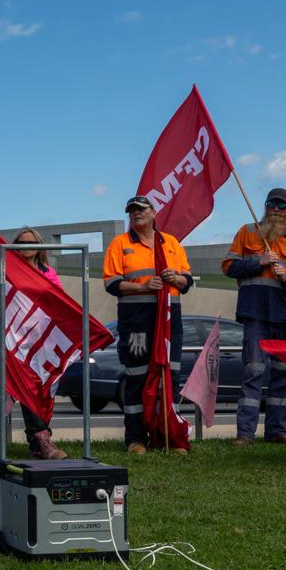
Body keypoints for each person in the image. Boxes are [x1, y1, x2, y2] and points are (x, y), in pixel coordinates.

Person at [222, 188, 286, 446]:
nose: (276, 209)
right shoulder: (247, 232)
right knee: (253, 371)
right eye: (272, 204)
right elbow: (228, 267)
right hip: (256, 315)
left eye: (282, 205)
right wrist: (259, 261)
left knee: (284, 375)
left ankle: (277, 431)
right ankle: (245, 434)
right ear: (265, 206)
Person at [103, 195, 193, 455]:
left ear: (154, 213)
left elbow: (187, 281)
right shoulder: (120, 244)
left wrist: (175, 278)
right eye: (132, 212)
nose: (136, 215)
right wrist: (142, 286)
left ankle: (168, 436)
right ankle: (136, 439)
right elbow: (110, 283)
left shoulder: (172, 243)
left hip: (169, 320)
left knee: (170, 375)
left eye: (141, 210)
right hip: (136, 322)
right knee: (137, 378)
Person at [12, 227, 68, 460]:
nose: (27, 246)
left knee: (45, 389)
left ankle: (37, 444)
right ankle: (43, 438)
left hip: (44, 341)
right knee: (28, 386)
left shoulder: (49, 273)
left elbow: (61, 303)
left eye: (31, 242)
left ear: (40, 246)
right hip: (16, 340)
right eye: (22, 243)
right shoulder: (7, 271)